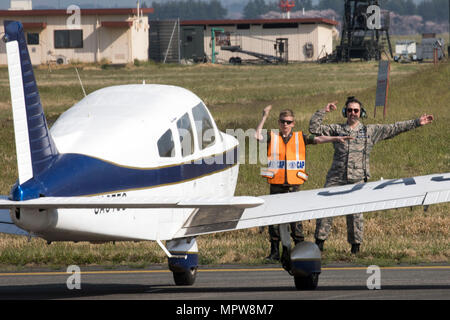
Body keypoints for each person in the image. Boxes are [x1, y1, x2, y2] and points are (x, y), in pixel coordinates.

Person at [309, 96, 434, 254]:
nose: (353, 113)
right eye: (349, 110)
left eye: (356, 110)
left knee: (356, 214)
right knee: (326, 209)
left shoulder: (370, 131)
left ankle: (356, 248)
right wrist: (324, 111)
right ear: (344, 112)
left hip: (358, 179)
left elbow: (394, 128)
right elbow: (314, 129)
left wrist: (417, 122)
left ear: (361, 113)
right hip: (336, 177)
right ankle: (319, 244)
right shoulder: (337, 129)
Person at [255, 105, 352, 261]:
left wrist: (336, 138)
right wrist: (264, 116)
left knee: (296, 221)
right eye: (282, 122)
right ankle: (274, 252)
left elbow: (319, 139)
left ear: (293, 123)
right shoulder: (272, 137)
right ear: (279, 123)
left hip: (294, 186)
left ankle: (299, 252)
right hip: (276, 186)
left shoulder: (300, 137)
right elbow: (257, 136)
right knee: (273, 221)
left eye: (288, 122)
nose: (285, 125)